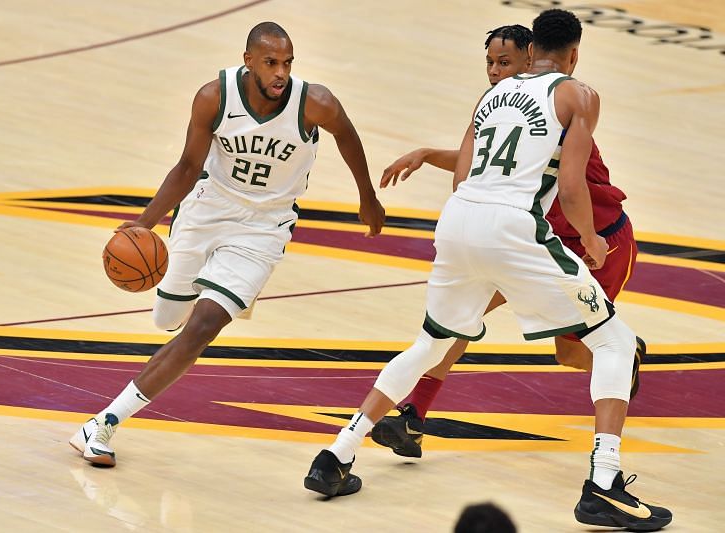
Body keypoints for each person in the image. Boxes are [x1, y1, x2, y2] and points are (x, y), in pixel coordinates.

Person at [304, 9, 671, 531]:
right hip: (519, 228)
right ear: (574, 54)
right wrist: (588, 240)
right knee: (615, 343)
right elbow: (568, 189)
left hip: (460, 220)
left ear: (529, 50)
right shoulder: (577, 94)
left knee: (428, 343)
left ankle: (337, 455)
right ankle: (603, 485)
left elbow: (464, 176)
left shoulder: (490, 97)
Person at [69, 21, 385, 469]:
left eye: (288, 63)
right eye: (272, 63)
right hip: (207, 207)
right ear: (249, 61)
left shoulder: (315, 103)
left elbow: (347, 135)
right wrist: (144, 224)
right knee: (168, 319)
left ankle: (102, 423)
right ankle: (210, 288)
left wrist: (367, 197)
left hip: (264, 226)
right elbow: (186, 166)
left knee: (202, 327)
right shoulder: (213, 97)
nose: (281, 73)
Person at [372, 24, 642, 460]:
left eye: (507, 64)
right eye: (491, 64)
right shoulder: (504, 110)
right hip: (526, 241)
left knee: (570, 354)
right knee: (463, 318)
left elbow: (567, 188)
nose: (497, 75)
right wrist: (426, 154)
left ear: (531, 60)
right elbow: (478, 166)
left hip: (596, 245)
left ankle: (624, 353)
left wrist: (589, 238)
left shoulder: (559, 112)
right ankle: (413, 414)